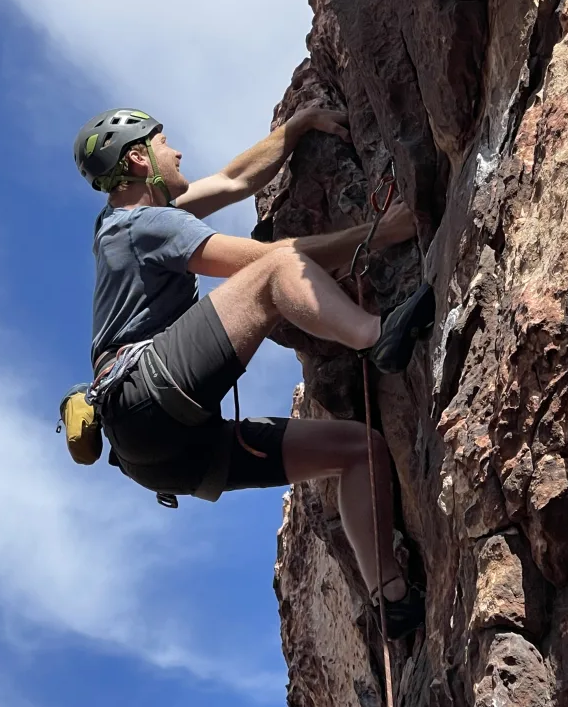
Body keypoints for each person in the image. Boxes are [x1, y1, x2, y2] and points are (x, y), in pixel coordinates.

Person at [72, 107, 434, 639]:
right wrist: (379, 233)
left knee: (362, 451)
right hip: (145, 394)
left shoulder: (131, 218)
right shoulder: (143, 224)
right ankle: (379, 336)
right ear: (137, 158)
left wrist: (300, 126)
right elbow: (265, 263)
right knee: (273, 267)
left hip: (165, 456)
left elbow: (234, 180)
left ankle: (392, 600)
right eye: (163, 142)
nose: (176, 152)